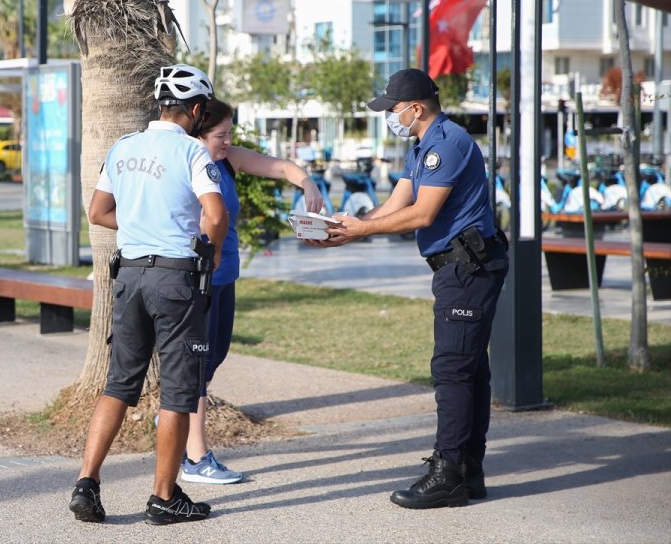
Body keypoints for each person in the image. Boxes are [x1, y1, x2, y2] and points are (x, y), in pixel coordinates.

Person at [309, 68, 508, 509]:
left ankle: (448, 472)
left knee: (453, 370)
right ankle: (468, 470)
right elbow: (395, 204)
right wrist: (344, 229)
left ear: (416, 108)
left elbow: (422, 214)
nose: (390, 117)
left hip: (468, 268)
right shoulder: (422, 147)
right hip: (458, 267)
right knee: (470, 369)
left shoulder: (447, 144)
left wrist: (362, 230)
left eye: (393, 109)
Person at [75, 64, 228, 525]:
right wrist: (213, 253)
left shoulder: (123, 146)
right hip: (175, 280)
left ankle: (86, 483)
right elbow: (215, 215)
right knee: (178, 393)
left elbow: (98, 212)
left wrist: (143, 224)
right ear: (196, 109)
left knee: (119, 385)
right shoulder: (192, 151)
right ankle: (163, 498)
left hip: (129, 277)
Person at [180, 98, 324, 485]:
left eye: (230, 134)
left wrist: (307, 183)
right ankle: (195, 457)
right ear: (199, 134)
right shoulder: (186, 162)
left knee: (214, 358)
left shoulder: (227, 159)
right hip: (197, 279)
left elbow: (280, 167)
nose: (228, 142)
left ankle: (178, 427)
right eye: (220, 135)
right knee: (197, 367)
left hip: (225, 276)